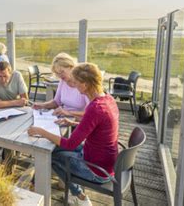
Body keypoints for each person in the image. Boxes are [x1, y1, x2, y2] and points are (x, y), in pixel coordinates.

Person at [28, 63, 119, 206]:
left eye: (76, 83)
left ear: (84, 84)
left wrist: (41, 131)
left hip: (97, 170)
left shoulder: (94, 108)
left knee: (49, 154)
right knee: (52, 150)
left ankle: (79, 197)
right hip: (104, 160)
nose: (74, 86)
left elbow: (70, 144)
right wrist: (74, 124)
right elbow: (97, 128)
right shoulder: (108, 99)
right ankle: (44, 184)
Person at [33, 53, 90, 120]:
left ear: (71, 67)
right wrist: (42, 105)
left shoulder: (83, 83)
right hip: (64, 118)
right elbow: (56, 102)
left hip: (79, 122)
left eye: (62, 72)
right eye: (57, 73)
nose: (60, 75)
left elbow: (90, 113)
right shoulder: (63, 81)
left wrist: (68, 112)